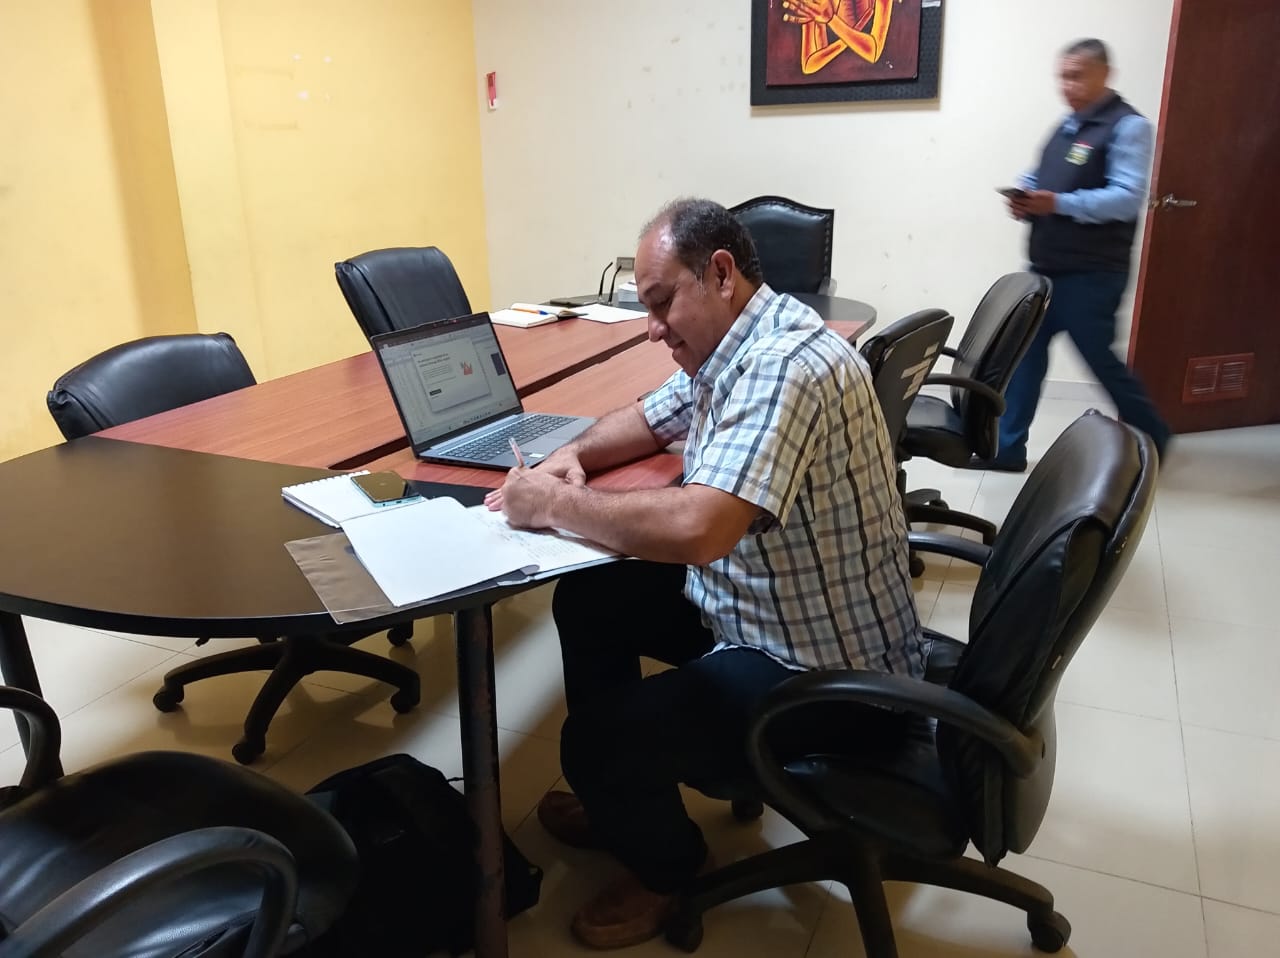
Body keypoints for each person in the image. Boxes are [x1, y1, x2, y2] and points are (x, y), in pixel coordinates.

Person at [485, 198, 924, 949]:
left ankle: (669, 867)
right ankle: (623, 793)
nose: (653, 328)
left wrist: (552, 503)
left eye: (662, 303)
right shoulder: (738, 344)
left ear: (720, 274)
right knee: (591, 597)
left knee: (591, 741)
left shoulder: (783, 367)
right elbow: (652, 417)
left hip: (827, 674)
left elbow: (699, 529)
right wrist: (575, 456)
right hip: (770, 607)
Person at [978, 38, 1171, 472]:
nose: (1068, 85)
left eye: (1077, 76)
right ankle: (1007, 449)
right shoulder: (1067, 126)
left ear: (1105, 74)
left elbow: (1127, 198)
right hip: (1046, 269)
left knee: (1100, 361)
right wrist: (1024, 195)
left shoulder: (1128, 127)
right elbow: (1038, 175)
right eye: (1063, 77)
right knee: (1023, 357)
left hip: (1091, 274)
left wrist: (1058, 204)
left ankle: (1156, 436)